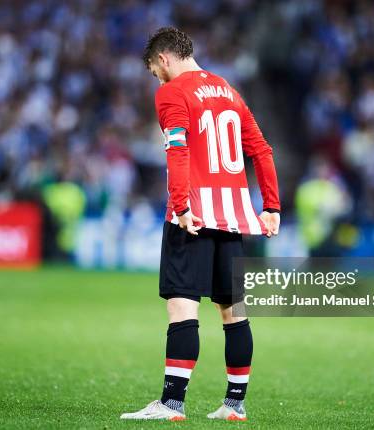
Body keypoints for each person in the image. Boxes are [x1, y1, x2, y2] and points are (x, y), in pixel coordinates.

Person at [120, 27, 281, 422]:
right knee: (234, 313)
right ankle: (234, 404)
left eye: (155, 72)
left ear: (163, 59)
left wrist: (180, 205)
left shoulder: (172, 92)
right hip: (231, 218)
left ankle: (172, 404)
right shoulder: (229, 91)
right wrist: (272, 206)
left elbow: (177, 150)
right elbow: (261, 149)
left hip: (191, 214)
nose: (157, 79)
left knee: (182, 309)